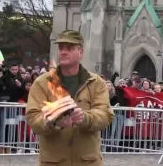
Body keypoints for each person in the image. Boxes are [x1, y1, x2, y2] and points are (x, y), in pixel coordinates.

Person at [26, 30, 114, 166]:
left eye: (69, 48)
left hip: (87, 161)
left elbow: (106, 114)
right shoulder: (42, 82)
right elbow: (33, 118)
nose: (63, 52)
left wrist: (85, 118)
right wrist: (54, 123)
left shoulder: (96, 82)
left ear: (81, 52)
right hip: (54, 161)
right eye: (61, 48)